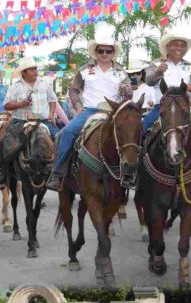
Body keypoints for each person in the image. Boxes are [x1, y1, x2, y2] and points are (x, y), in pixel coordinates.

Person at [46, 35, 133, 192]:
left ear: (113, 53)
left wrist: (127, 90)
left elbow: (129, 95)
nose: (105, 54)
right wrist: (78, 106)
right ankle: (57, 173)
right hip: (90, 110)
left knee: (133, 135)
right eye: (101, 51)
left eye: (108, 51)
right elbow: (74, 90)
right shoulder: (85, 70)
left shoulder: (121, 72)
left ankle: (129, 173)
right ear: (96, 52)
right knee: (67, 132)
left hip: (114, 111)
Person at [5, 59, 59, 135]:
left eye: (35, 69)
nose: (35, 72)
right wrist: (20, 104)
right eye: (31, 70)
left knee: (57, 138)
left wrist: (51, 114)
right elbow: (6, 105)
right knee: (9, 144)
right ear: (23, 72)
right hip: (21, 121)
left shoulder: (44, 83)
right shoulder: (14, 86)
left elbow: (52, 99)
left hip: (43, 120)